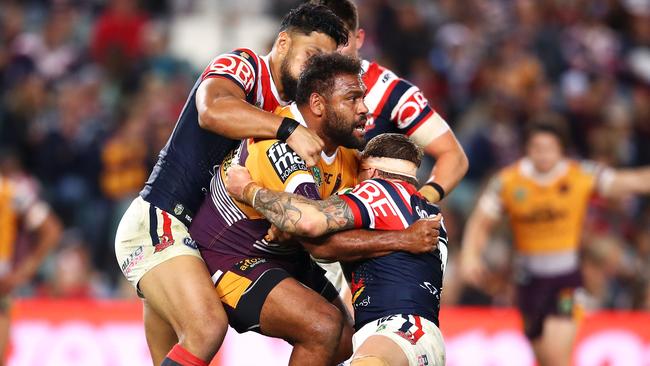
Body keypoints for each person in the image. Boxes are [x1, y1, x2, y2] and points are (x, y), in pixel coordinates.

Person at [113, 4, 349, 365]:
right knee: (207, 330)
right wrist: (287, 130)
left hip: (207, 239)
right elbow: (211, 110)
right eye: (310, 55)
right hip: (163, 220)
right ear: (283, 43)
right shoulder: (246, 66)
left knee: (341, 337)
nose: (312, 70)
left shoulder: (292, 109)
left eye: (322, 64)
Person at [189, 53, 441, 366]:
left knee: (349, 339)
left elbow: (323, 227)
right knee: (323, 326)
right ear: (319, 105)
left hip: (283, 259)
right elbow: (314, 237)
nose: (365, 110)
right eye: (352, 99)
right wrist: (403, 239)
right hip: (232, 256)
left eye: (363, 98)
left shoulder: (350, 160)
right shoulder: (281, 145)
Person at [226, 133, 448, 366]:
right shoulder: (431, 214)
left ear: (370, 171)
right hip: (416, 336)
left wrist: (249, 190)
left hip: (397, 330)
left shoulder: (377, 190)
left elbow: (312, 224)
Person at [460, 118, 650, 366]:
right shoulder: (508, 181)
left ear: (561, 149)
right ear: (527, 149)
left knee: (559, 357)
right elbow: (481, 222)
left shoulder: (580, 175)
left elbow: (629, 181)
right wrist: (470, 255)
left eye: (549, 148)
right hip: (527, 282)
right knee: (542, 356)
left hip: (565, 282)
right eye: (537, 148)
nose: (543, 155)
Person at [313, 0, 468, 204]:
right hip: (308, 212)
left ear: (359, 39)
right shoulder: (295, 85)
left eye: (341, 40)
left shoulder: (390, 92)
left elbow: (453, 156)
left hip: (369, 222)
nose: (332, 50)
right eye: (323, 42)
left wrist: (418, 203)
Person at [0, 152, 62, 365]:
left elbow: (51, 230)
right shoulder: (11, 191)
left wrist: (21, 274)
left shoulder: (11, 192)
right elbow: (51, 229)